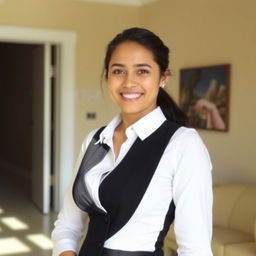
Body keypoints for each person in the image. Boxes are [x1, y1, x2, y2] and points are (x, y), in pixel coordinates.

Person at [51, 27, 213, 256]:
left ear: (163, 78)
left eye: (142, 71)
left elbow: (195, 249)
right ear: (108, 75)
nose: (129, 82)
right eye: (118, 71)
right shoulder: (95, 141)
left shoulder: (184, 144)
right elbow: (67, 225)